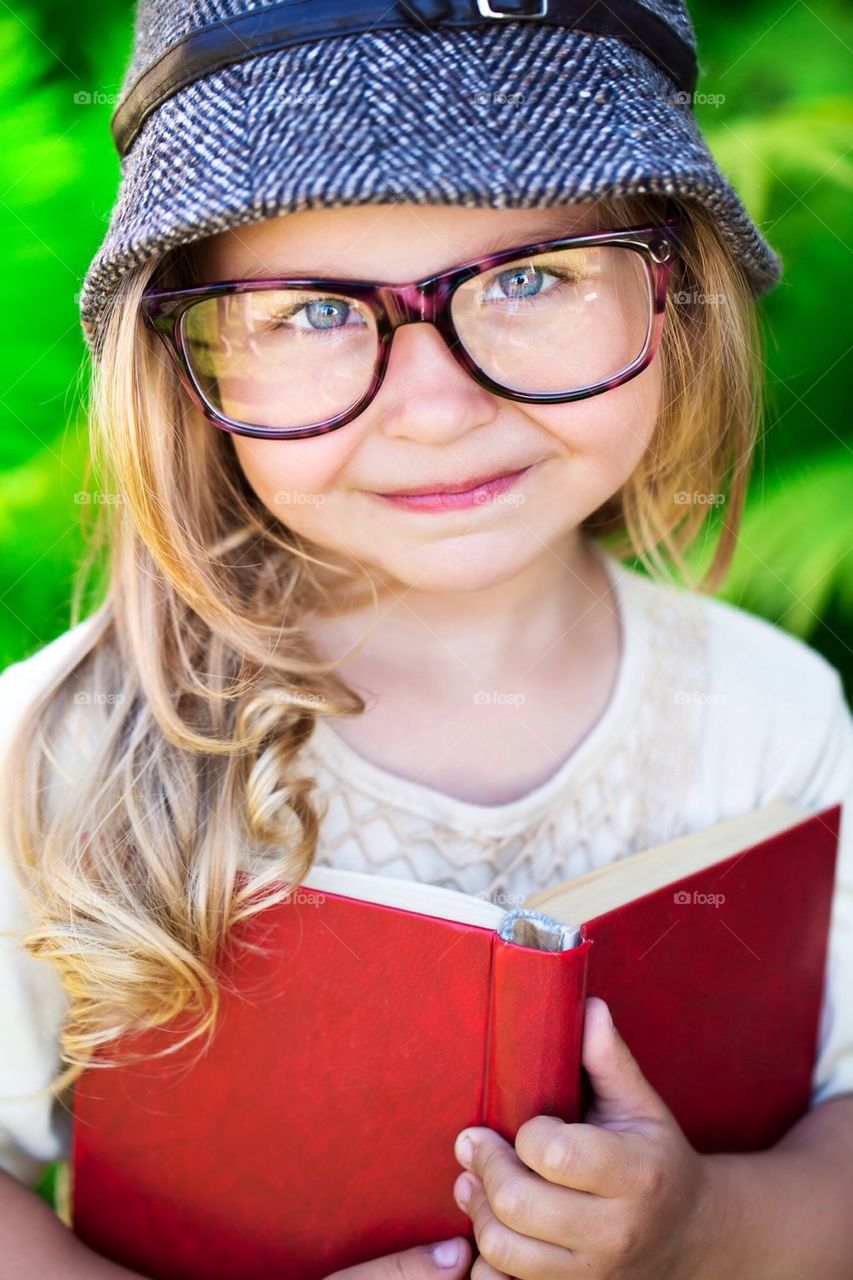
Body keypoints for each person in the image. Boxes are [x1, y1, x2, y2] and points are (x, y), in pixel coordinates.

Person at [1, 1, 851, 1276]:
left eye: (527, 278)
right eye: (309, 311)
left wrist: (703, 1227)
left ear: (674, 289)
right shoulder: (54, 755)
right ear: (193, 361)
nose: (440, 407)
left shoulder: (774, 716)